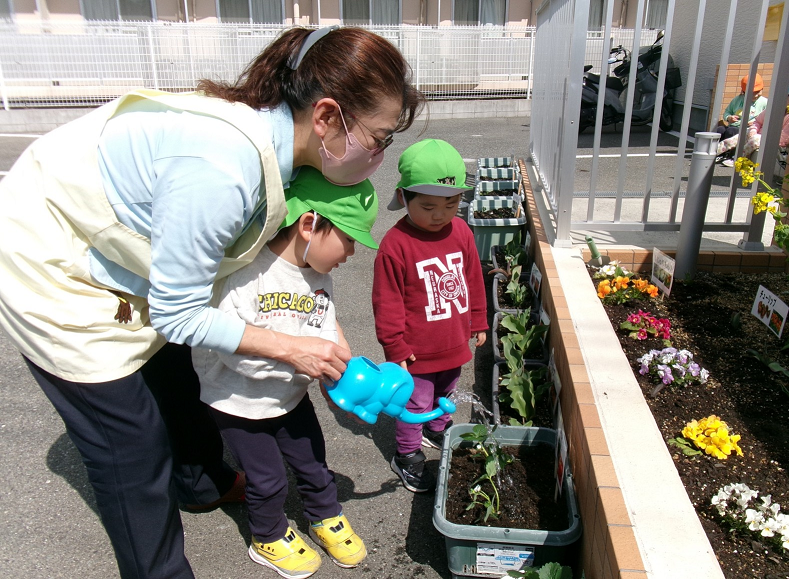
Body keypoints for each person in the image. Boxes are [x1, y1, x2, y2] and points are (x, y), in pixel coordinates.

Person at [0, 25, 423, 578]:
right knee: (132, 449)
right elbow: (180, 313)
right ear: (326, 118)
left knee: (176, 370)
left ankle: (202, 481)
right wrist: (291, 348)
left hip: (116, 251)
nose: (381, 155)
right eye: (380, 137)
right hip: (50, 262)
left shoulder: (280, 145)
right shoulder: (222, 171)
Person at [192, 167, 377, 578]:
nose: (351, 253)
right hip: (238, 400)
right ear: (309, 225)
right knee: (268, 478)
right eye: (348, 239)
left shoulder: (318, 275)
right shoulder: (245, 273)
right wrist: (299, 360)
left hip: (289, 394)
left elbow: (324, 323)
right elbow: (235, 352)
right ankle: (267, 535)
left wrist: (341, 371)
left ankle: (324, 514)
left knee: (313, 458)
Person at [372, 139, 488, 493]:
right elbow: (386, 301)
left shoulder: (462, 232)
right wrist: (394, 346)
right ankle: (407, 453)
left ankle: (438, 429)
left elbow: (472, 279)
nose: (440, 215)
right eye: (429, 206)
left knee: (447, 391)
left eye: (451, 204)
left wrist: (479, 319)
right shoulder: (396, 244)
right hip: (416, 350)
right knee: (415, 402)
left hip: (452, 341)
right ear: (404, 197)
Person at [716, 87, 789, 167]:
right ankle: (715, 151)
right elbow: (758, 122)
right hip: (757, 133)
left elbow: (784, 137)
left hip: (770, 140)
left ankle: (737, 159)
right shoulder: (771, 110)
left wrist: (763, 137)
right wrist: (753, 131)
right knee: (737, 138)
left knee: (754, 139)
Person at [715, 73, 768, 155]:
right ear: (744, 92)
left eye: (758, 91)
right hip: (734, 125)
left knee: (731, 131)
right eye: (752, 93)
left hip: (748, 129)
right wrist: (729, 117)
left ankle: (729, 154)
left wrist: (754, 123)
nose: (756, 95)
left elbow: (767, 118)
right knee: (720, 129)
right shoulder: (737, 99)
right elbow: (727, 111)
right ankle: (715, 152)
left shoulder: (764, 102)